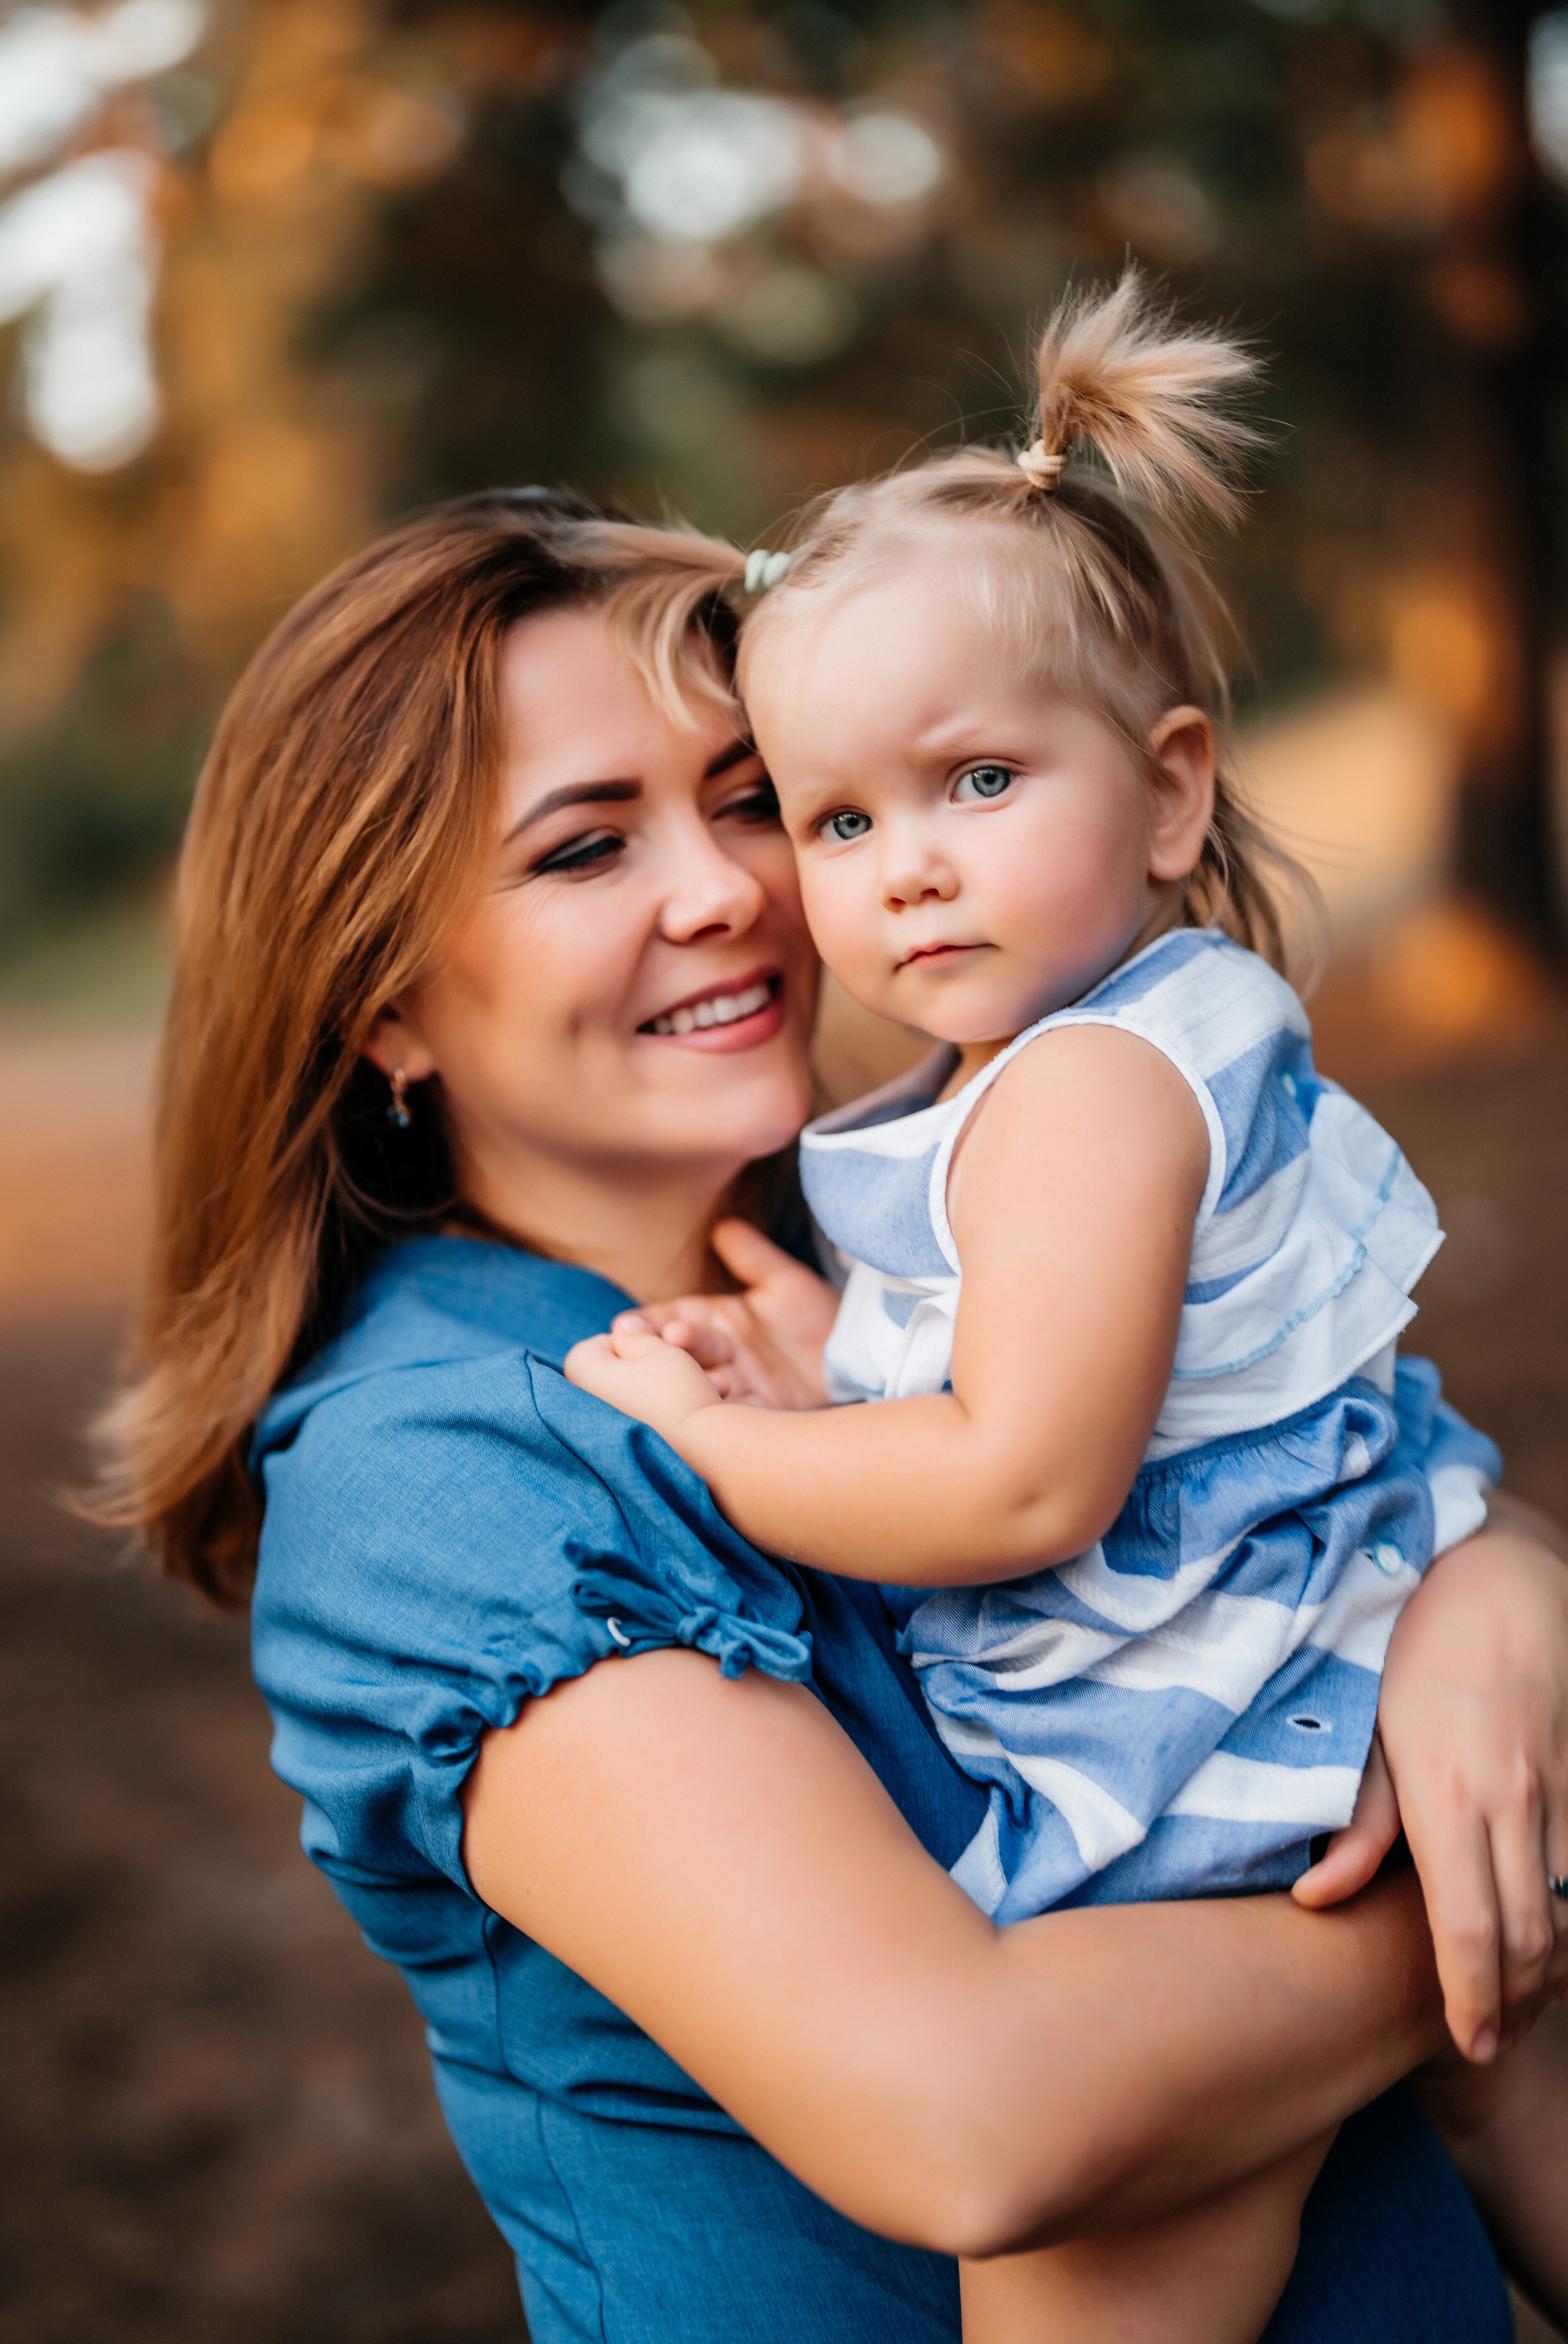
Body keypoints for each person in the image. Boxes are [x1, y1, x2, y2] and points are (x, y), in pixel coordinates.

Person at [92, 485, 1568, 2344]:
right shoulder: (447, 1465)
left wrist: (1500, 1611)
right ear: (387, 1007)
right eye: (579, 852)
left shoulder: (916, 1238)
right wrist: (1471, 1896)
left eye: (746, 801)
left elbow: (1289, 1467)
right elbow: (973, 2126)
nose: (727, 892)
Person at [559, 274, 1568, 2340]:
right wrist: (836, 1353)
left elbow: (1024, 1476)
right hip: (1316, 1665)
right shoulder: (1084, 1063)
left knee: (1076, 2294)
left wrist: (719, 1441)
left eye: (978, 783)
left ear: (1176, 790)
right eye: (839, 820)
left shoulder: (1090, 1096)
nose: (906, 869)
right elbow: (1082, 1363)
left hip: (1210, 1784)